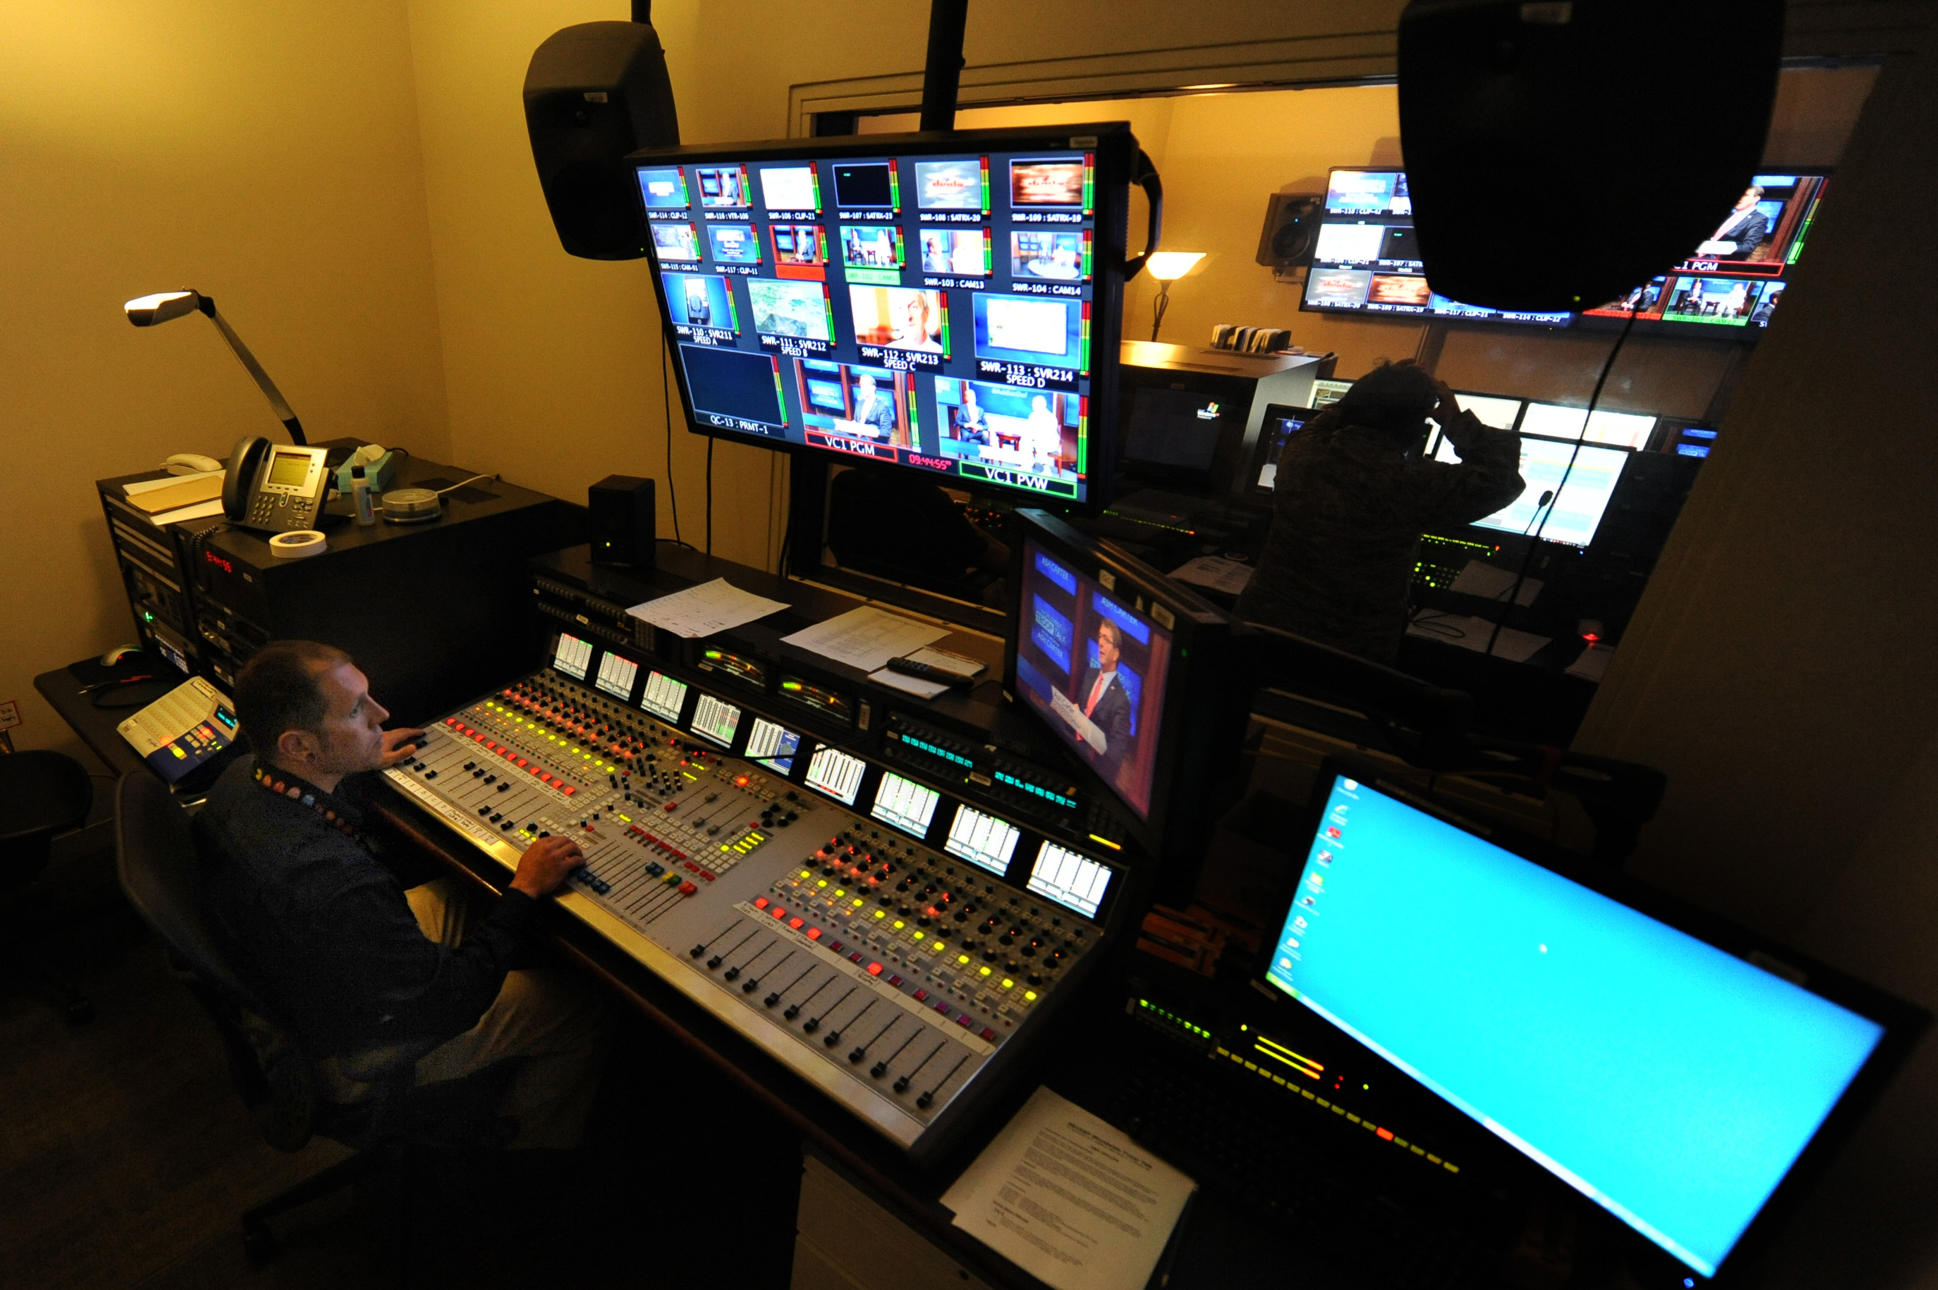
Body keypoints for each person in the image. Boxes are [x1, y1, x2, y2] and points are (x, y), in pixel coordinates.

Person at [192, 640, 610, 1151]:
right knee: (579, 1007)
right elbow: (452, 1002)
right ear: (300, 746)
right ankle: (526, 1154)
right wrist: (523, 889)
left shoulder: (241, 778)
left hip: (308, 969)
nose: (381, 714)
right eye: (354, 711)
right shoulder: (334, 885)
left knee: (464, 898)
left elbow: (309, 810)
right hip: (357, 1049)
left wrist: (354, 755)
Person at [1237, 361, 1525, 663]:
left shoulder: (1300, 453)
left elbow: (1327, 419)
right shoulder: (1411, 483)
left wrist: (1369, 393)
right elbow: (1501, 481)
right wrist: (1455, 421)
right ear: (1415, 431)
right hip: (1348, 656)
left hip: (1260, 635)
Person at [1073, 619, 1134, 782]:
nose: (1100, 642)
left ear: (1116, 653)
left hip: (1089, 753)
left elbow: (1115, 755)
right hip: (1071, 733)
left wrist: (1092, 734)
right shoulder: (1091, 674)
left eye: (1106, 639)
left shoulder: (1121, 701)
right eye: (1100, 637)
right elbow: (1080, 707)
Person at [1698, 185, 1768, 260]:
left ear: (1756, 199)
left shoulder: (1758, 219)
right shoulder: (1728, 215)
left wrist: (1713, 248)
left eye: (1745, 195)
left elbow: (1748, 246)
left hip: (1720, 261)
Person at [851, 372, 896, 438]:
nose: (862, 388)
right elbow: (856, 421)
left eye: (864, 385)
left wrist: (867, 431)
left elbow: (886, 433)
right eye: (861, 385)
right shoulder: (859, 403)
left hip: (870, 440)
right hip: (856, 438)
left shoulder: (882, 407)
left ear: (873, 388)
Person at [1024, 394, 1062, 469]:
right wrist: (1031, 436)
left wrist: (1037, 437)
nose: (1032, 405)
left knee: (1040, 442)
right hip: (1036, 439)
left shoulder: (1050, 417)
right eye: (1033, 403)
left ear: (1042, 405)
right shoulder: (1032, 415)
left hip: (1051, 442)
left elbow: (1050, 434)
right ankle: (1027, 465)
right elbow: (1029, 429)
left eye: (1034, 404)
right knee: (1026, 440)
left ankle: (1046, 469)